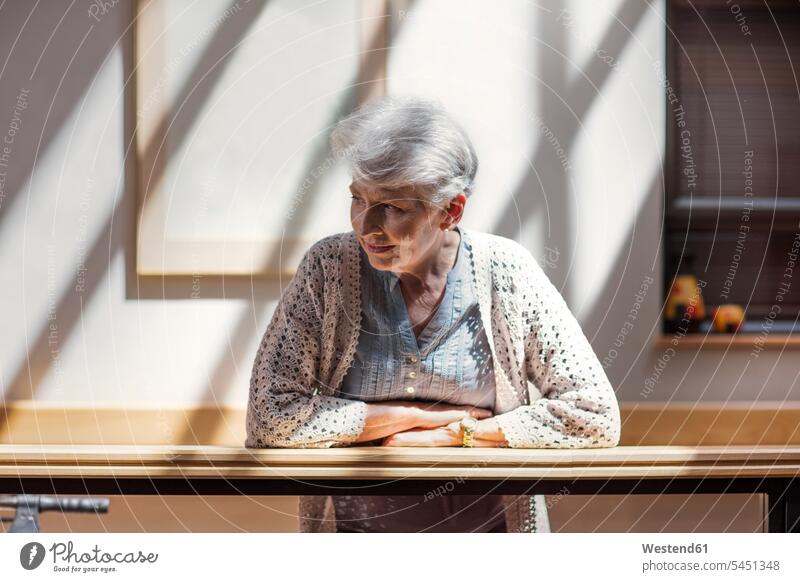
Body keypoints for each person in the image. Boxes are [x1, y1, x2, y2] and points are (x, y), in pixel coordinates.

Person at [245, 95, 621, 533]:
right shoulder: (330, 269)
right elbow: (268, 417)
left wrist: (456, 435)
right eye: (357, 199)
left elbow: (594, 415)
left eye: (393, 207)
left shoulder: (507, 272)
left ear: (451, 210)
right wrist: (413, 418)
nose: (366, 226)